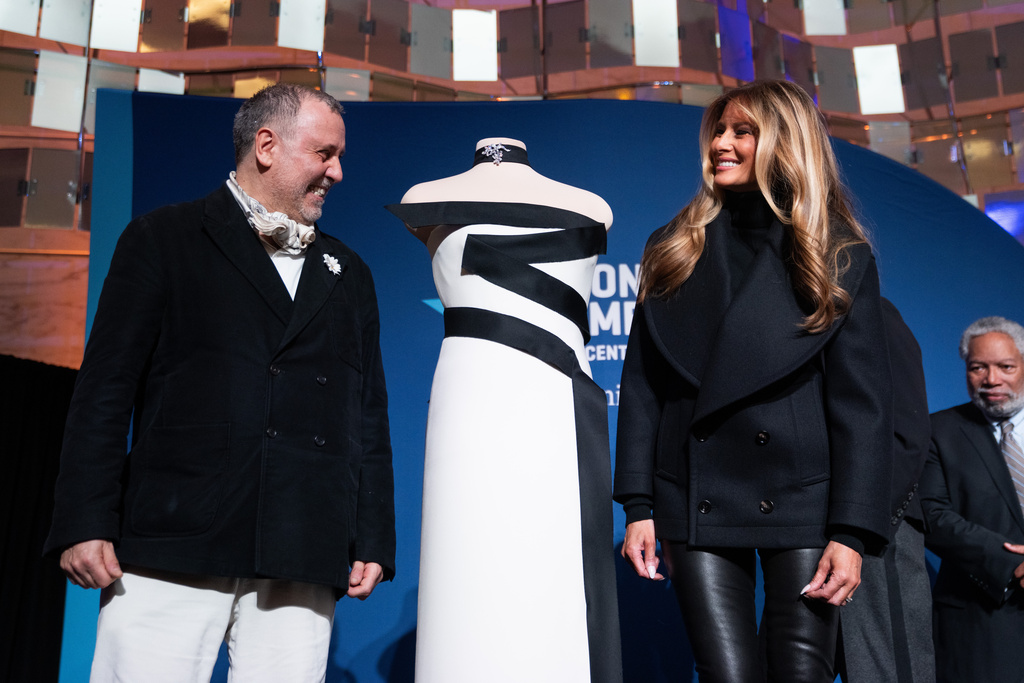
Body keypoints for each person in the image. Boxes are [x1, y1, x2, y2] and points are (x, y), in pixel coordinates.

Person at [43, 83, 396, 682]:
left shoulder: (349, 272)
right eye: (324, 154)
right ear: (266, 146)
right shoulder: (162, 239)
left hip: (302, 546)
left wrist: (371, 538)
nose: (337, 172)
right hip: (173, 541)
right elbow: (104, 392)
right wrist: (84, 520)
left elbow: (367, 416)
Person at [614, 80, 893, 682]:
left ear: (784, 145)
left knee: (801, 673)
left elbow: (862, 408)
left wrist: (851, 533)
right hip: (695, 493)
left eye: (742, 131)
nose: (722, 143)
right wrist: (639, 506)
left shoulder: (838, 256)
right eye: (718, 130)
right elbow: (642, 388)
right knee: (726, 674)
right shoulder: (673, 248)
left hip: (804, 500)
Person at [386, 138, 622, 682]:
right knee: (468, 573)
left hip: (554, 406)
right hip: (468, 408)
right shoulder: (427, 197)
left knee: (554, 576)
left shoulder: (591, 204)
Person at [919, 315, 1024, 683]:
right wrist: (1010, 564)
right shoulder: (937, 432)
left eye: (1005, 367)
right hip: (980, 623)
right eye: (978, 367)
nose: (991, 379)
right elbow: (930, 514)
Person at [835, 298, 935, 683]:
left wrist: (862, 527)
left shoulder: (872, 311)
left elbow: (907, 435)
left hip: (878, 533)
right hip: (807, 530)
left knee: (889, 672)